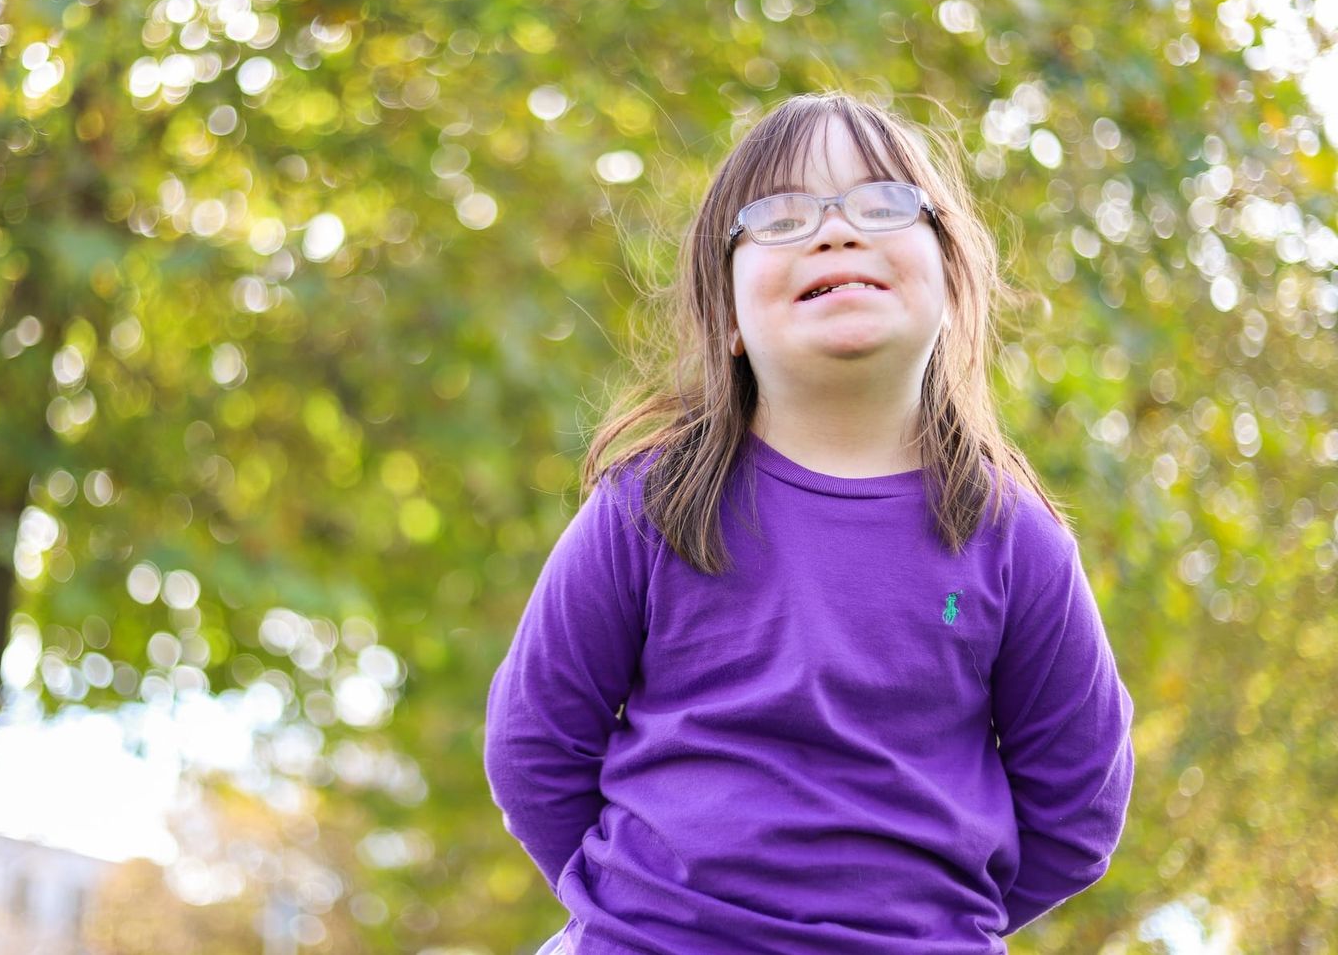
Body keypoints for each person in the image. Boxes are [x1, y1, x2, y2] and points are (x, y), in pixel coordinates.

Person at [482, 91, 1136, 954]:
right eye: (782, 216)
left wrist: (924, 927)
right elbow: (532, 745)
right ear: (727, 317)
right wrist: (639, 913)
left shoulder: (1016, 541)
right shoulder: (650, 507)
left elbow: (1078, 805)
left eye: (883, 203)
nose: (835, 231)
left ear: (952, 281)